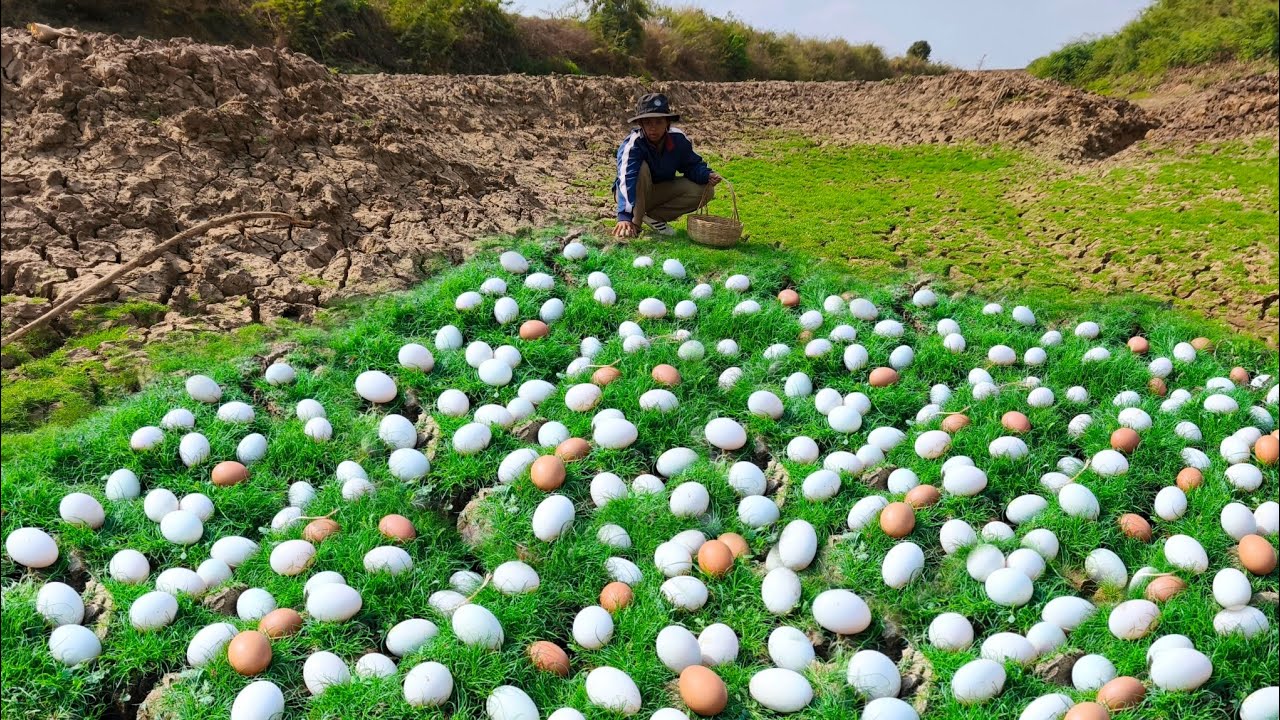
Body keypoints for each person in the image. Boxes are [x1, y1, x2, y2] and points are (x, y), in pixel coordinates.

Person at [612, 93, 722, 238]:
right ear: (641, 124)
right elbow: (627, 178)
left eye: (659, 122)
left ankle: (655, 218)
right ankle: (634, 224)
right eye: (648, 123)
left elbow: (691, 165)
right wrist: (624, 216)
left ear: (667, 123)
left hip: (659, 192)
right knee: (641, 167)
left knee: (706, 191)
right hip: (632, 193)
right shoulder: (633, 144)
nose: (653, 128)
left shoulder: (678, 139)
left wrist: (706, 175)